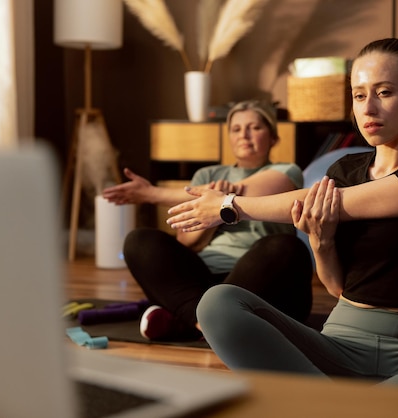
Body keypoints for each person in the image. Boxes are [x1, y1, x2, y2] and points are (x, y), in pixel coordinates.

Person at [165, 39, 398, 390]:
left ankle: (337, 405)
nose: (368, 108)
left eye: (384, 92)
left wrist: (230, 208)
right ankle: (373, 407)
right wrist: (322, 243)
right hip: (339, 342)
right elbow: (336, 287)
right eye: (359, 95)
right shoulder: (344, 170)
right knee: (218, 302)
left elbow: (345, 202)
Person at [102, 100, 313, 341]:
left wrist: (156, 194)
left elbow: (247, 190)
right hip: (203, 279)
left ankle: (186, 321)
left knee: (285, 247)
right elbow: (187, 241)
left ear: (273, 137)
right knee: (138, 241)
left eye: (254, 128)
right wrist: (214, 216)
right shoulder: (208, 175)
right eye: (236, 129)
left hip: (260, 280)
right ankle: (209, 323)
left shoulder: (287, 171)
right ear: (229, 138)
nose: (244, 135)